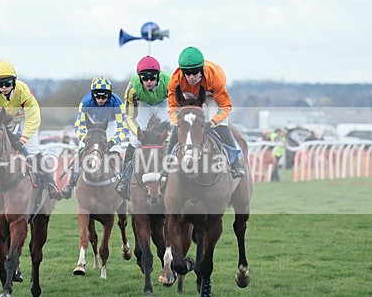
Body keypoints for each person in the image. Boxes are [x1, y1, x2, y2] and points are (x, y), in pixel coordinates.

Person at [0, 59, 59, 198]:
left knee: (32, 149)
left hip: (26, 118)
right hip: (5, 119)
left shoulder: (24, 92)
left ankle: (50, 183)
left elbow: (33, 120)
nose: (4, 87)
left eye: (7, 83)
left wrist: (22, 140)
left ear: (14, 81)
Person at [166, 46, 245, 178]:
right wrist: (178, 122)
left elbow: (225, 106)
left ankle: (236, 162)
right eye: (187, 73)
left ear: (201, 70)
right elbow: (172, 108)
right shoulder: (175, 81)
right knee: (178, 125)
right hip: (188, 94)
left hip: (210, 93)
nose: (191, 77)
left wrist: (213, 123)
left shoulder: (214, 77)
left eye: (195, 73)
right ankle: (168, 159)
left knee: (221, 125)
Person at [59, 75, 128, 199]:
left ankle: (124, 183)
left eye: (104, 96)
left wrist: (112, 142)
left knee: (115, 153)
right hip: (91, 123)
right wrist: (85, 139)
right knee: (81, 152)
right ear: (92, 95)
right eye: (97, 96)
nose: (100, 99)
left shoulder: (117, 102)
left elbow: (123, 128)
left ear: (109, 95)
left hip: (111, 124)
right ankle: (70, 184)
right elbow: (79, 126)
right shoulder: (85, 102)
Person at [114, 56, 171, 200]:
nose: (149, 82)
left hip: (164, 103)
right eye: (145, 79)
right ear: (139, 78)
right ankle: (125, 180)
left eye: (152, 78)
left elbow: (176, 109)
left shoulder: (170, 83)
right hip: (144, 105)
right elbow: (130, 117)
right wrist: (139, 132)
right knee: (135, 141)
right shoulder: (132, 89)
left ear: (158, 76)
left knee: (169, 138)